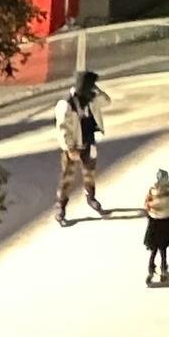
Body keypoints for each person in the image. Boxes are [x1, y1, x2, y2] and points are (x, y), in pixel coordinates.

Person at [53, 71, 112, 224]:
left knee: (90, 173)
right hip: (74, 147)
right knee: (68, 177)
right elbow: (62, 129)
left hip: (89, 142)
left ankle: (91, 197)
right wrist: (70, 148)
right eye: (89, 87)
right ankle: (60, 207)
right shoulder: (66, 104)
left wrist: (97, 90)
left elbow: (107, 101)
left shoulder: (91, 98)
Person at [143, 169, 169, 286]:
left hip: (154, 224)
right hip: (165, 224)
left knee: (153, 249)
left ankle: (150, 269)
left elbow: (147, 205)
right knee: (163, 250)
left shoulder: (151, 192)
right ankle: (164, 271)